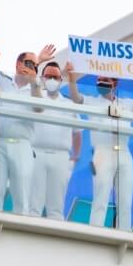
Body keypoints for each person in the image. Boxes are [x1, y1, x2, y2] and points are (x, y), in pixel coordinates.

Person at [67, 69, 133, 228]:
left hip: (124, 152)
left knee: (125, 200)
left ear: (115, 83)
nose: (100, 83)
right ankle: (96, 231)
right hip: (102, 151)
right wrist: (71, 77)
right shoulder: (91, 101)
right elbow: (76, 97)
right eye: (99, 80)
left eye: (105, 79)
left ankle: (124, 233)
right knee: (101, 195)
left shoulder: (127, 103)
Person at [0, 47, 47, 214]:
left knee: (21, 191)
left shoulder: (36, 88)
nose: (31, 68)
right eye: (28, 63)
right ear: (18, 64)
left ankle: (19, 230)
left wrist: (34, 80)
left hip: (21, 145)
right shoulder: (2, 79)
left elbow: (38, 108)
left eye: (35, 66)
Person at [30, 60, 81, 220]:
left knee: (56, 206)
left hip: (60, 156)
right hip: (36, 154)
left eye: (55, 77)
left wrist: (75, 156)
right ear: (43, 78)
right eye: (48, 76)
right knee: (34, 204)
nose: (52, 80)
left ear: (61, 79)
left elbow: (77, 131)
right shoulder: (36, 97)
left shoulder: (68, 103)